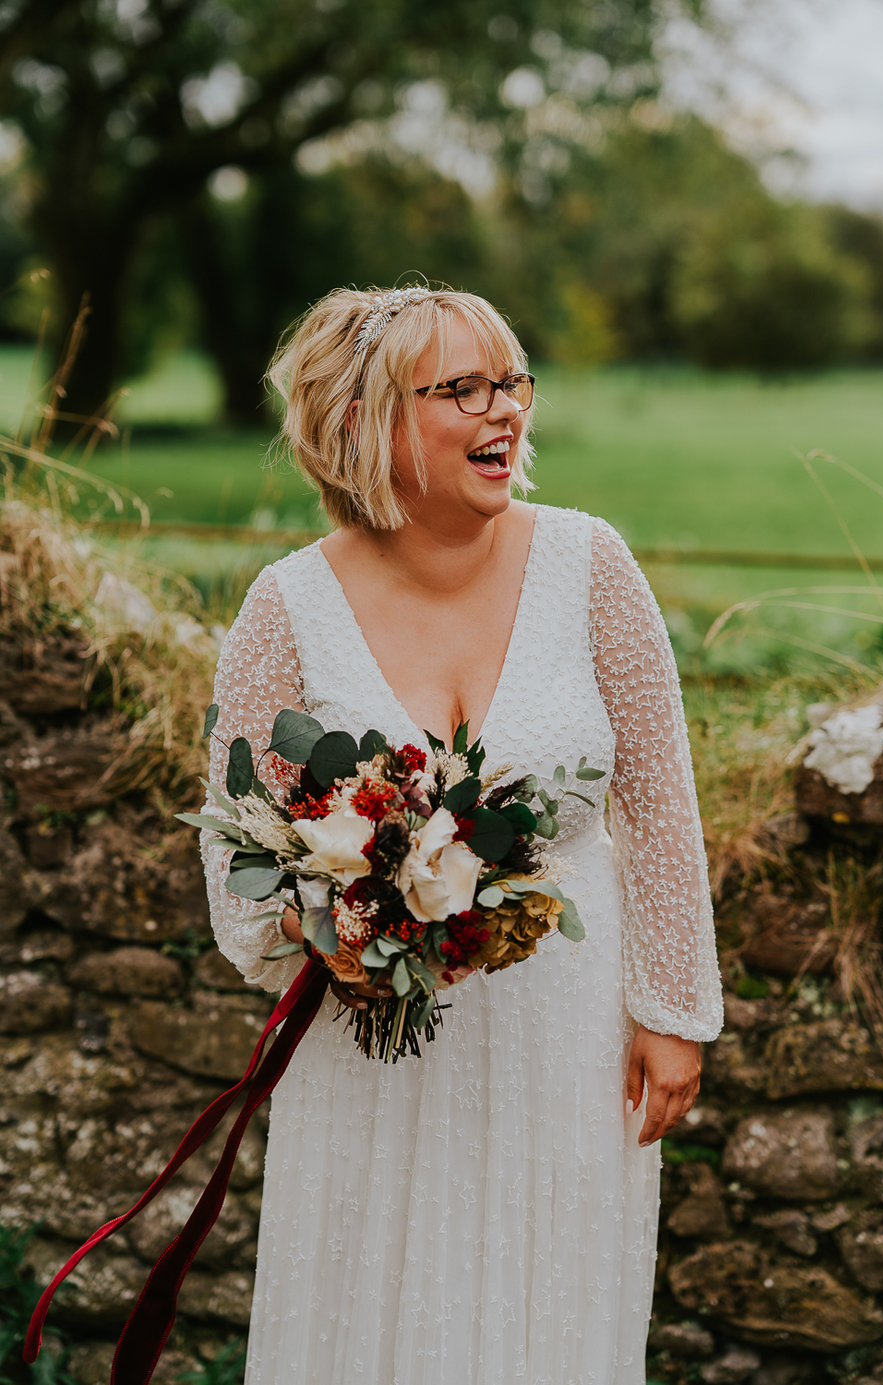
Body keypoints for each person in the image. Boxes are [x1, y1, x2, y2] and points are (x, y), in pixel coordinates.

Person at [202, 283, 723, 1385]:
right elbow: (238, 848)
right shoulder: (284, 609)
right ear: (366, 419)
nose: (507, 412)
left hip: (568, 1045)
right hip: (367, 1053)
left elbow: (661, 805)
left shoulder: (594, 569)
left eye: (513, 382)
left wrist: (672, 1011)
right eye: (466, 389)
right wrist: (342, 925)